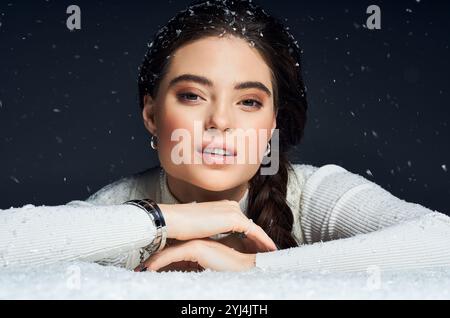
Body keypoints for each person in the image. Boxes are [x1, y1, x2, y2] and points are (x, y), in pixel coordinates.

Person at [1, 0, 449, 274]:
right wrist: (165, 221)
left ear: (274, 123)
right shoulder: (125, 206)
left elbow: (440, 243)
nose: (219, 121)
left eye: (249, 101)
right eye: (193, 95)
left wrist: (253, 269)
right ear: (152, 114)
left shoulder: (314, 193)